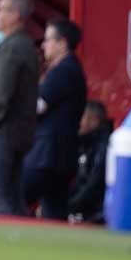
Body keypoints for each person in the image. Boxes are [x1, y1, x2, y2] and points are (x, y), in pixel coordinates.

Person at [0, 0, 41, 216]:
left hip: (3, 131)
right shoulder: (23, 45)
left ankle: (4, 245)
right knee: (13, 197)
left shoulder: (12, 48)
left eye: (1, 9)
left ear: (15, 15)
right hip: (18, 131)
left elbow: (1, 94)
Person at [24, 19, 87, 220]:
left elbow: (37, 106)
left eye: (48, 40)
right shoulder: (73, 69)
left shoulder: (62, 71)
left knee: (10, 197)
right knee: (54, 214)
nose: (43, 45)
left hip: (47, 155)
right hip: (62, 156)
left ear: (62, 43)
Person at [68, 101, 112, 223]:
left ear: (94, 121)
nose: (77, 122)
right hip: (82, 206)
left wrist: (69, 205)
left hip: (95, 212)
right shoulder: (84, 144)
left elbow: (94, 183)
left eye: (81, 117)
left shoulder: (103, 147)